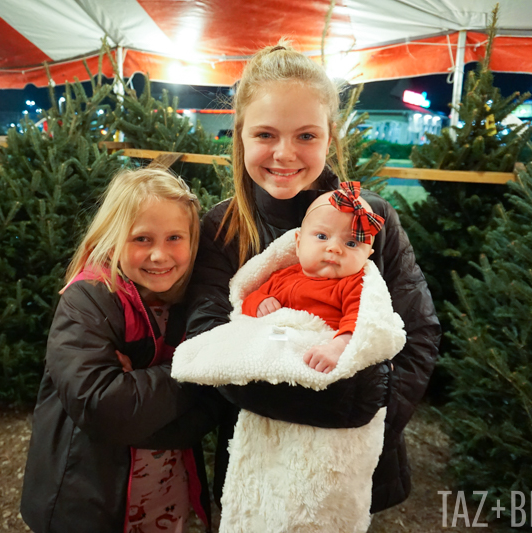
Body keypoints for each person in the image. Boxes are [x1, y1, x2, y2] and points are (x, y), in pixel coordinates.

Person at [185, 40, 441, 513]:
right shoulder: (223, 228)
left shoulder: (372, 219)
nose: (285, 154)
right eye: (265, 134)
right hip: (257, 460)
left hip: (354, 461)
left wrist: (371, 412)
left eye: (306, 136)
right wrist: (348, 400)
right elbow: (210, 341)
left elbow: (418, 333)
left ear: (329, 137)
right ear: (240, 134)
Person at [21, 168, 220, 533]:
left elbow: (213, 406)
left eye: (175, 237)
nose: (160, 255)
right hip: (90, 504)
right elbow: (105, 407)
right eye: (142, 238)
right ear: (113, 239)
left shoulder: (194, 302)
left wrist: (138, 390)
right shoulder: (88, 300)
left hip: (168, 495)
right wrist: (197, 368)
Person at [242, 182, 385, 374]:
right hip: (276, 348)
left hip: (318, 356)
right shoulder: (282, 277)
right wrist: (260, 302)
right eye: (322, 236)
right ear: (299, 244)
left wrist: (337, 348)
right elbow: (247, 302)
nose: (334, 248)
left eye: (351, 243)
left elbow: (362, 322)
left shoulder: (354, 285)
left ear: (367, 255)